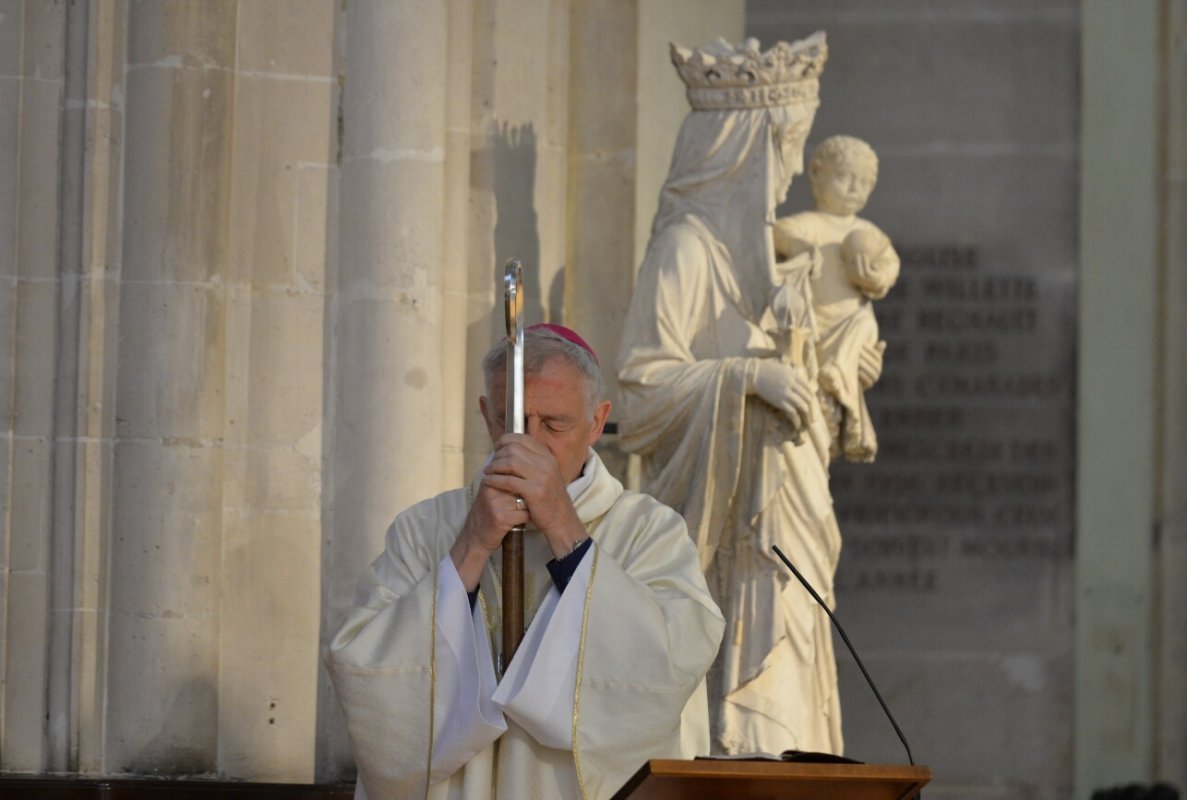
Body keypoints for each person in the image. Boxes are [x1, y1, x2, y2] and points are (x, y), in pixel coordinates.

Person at [326, 323, 723, 800]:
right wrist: (471, 545)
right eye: (511, 422)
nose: (528, 444)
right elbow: (366, 676)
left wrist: (564, 529)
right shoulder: (426, 529)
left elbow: (670, 668)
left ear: (597, 422)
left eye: (554, 424)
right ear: (486, 416)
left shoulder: (648, 533)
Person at [616, 35, 845, 755]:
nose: (785, 181)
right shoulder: (687, 251)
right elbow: (640, 389)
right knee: (742, 711)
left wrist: (826, 377)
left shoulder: (764, 268)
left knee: (798, 631)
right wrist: (750, 377)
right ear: (744, 152)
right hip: (729, 531)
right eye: (786, 150)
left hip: (789, 511)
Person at [773, 135, 898, 462]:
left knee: (861, 323)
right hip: (815, 332)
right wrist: (799, 247)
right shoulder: (808, 225)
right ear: (815, 173)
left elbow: (889, 265)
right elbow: (777, 233)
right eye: (845, 177)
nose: (855, 189)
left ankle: (841, 381)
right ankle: (838, 386)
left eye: (865, 183)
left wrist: (874, 277)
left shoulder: (868, 233)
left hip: (851, 328)